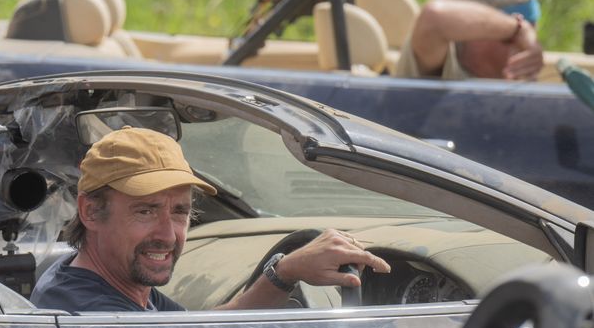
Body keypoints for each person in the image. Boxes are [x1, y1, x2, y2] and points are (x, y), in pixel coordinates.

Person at [30, 127, 390, 313]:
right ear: (91, 212)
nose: (168, 235)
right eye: (145, 211)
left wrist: (285, 273)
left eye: (180, 211)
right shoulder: (94, 316)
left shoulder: (106, 284)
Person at [394, 0, 551, 81]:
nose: (526, 48)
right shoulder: (444, 59)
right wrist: (517, 29)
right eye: (509, 39)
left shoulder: (511, 78)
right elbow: (434, 16)